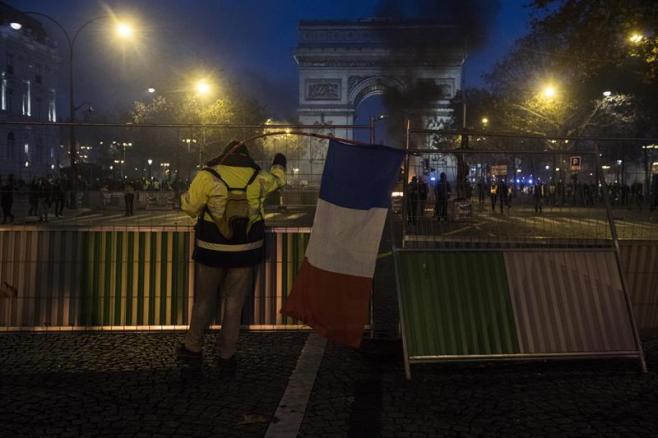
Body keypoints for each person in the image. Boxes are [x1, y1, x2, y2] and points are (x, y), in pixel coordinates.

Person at [176, 141, 286, 374]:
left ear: (224, 155)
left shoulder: (208, 175)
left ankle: (193, 348)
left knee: (204, 300)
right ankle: (226, 355)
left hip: (211, 248)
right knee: (234, 303)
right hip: (245, 250)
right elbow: (278, 181)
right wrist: (279, 164)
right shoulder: (258, 177)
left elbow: (190, 208)